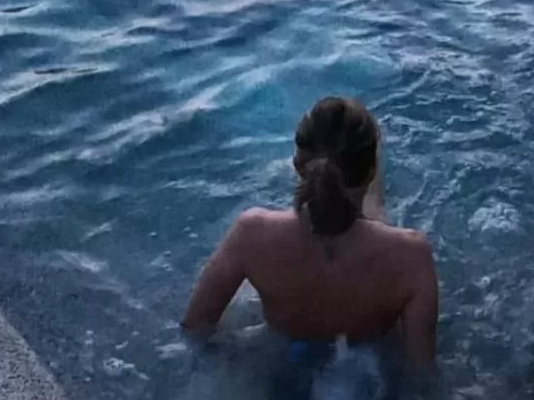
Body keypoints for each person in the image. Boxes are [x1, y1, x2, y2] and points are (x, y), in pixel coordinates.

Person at [180, 96, 439, 374]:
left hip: (277, 353)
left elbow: (195, 329)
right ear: (371, 171)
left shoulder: (251, 233)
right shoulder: (411, 256)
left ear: (296, 164)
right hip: (365, 359)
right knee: (374, 214)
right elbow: (420, 372)